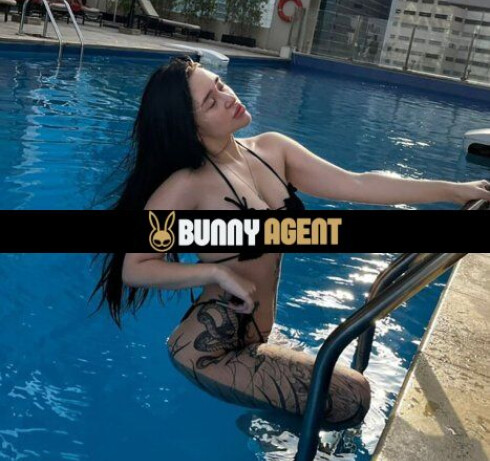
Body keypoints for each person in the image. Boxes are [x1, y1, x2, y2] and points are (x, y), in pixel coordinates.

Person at [91, 55, 490, 430]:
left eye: (221, 85)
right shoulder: (188, 186)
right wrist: (214, 272)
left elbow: (358, 183)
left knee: (335, 397)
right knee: (351, 396)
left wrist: (452, 190)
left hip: (260, 335)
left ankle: (266, 427)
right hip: (208, 351)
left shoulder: (272, 150)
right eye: (211, 102)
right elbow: (135, 267)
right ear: (190, 127)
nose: (228, 98)